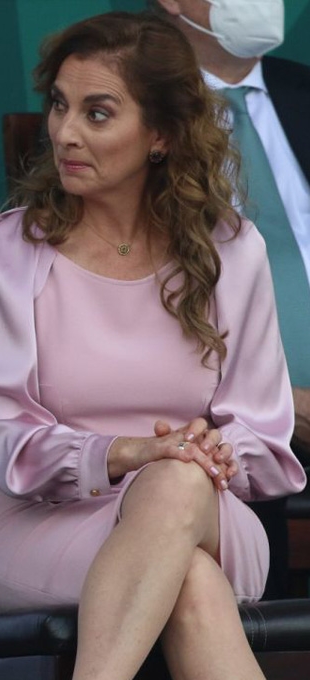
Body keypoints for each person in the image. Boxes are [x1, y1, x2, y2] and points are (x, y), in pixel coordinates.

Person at [0, 12, 306, 680]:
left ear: (160, 136)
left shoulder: (231, 251)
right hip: (49, 529)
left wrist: (197, 456)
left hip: (211, 514)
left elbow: (264, 436)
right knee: (192, 583)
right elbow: (5, 436)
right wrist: (130, 454)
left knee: (176, 488)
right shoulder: (9, 250)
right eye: (60, 105)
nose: (64, 133)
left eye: (97, 114)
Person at [151, 0, 310, 599]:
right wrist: (275, 401)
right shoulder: (126, 109)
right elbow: (117, 295)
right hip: (222, 418)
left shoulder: (301, 90)